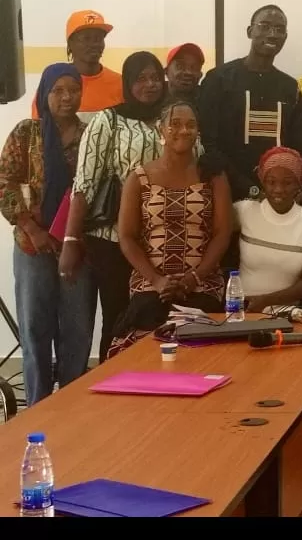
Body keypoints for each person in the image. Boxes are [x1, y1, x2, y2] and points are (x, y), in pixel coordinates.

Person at [60, 51, 167, 364]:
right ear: (128, 83)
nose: (150, 85)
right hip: (112, 239)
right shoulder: (108, 121)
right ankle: (111, 393)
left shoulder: (174, 117)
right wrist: (69, 240)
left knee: (156, 318)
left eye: (155, 77)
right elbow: (85, 184)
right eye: (141, 78)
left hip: (162, 239)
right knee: (119, 317)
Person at [0, 64, 93, 405]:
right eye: (59, 90)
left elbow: (97, 190)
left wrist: (72, 238)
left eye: (74, 90)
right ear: (45, 94)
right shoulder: (27, 133)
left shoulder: (91, 136)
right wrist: (32, 229)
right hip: (32, 248)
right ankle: (39, 407)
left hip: (76, 250)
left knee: (77, 330)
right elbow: (5, 184)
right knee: (35, 330)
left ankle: (70, 407)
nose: (68, 97)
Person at [108, 100, 230, 356]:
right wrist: (157, 280)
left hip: (202, 283)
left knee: (200, 347)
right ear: (159, 130)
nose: (184, 131)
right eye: (175, 124)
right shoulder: (139, 177)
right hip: (151, 283)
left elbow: (222, 233)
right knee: (144, 344)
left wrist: (193, 278)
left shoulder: (213, 176)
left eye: (191, 125)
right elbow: (127, 237)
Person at [198, 5, 302, 202]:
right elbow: (209, 143)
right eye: (265, 26)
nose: (272, 34)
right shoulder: (219, 79)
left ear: (285, 37)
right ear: (250, 31)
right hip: (226, 193)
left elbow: (300, 146)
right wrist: (249, 189)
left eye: (279, 29)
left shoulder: (289, 87)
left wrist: (297, 187)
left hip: (279, 197)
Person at [235, 147, 302, 312]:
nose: (278, 189)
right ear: (263, 182)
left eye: (287, 182)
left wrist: (265, 301)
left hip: (287, 312)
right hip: (242, 310)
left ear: (299, 184)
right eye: (271, 182)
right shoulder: (245, 210)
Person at [32, 10, 122, 121]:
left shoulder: (120, 83)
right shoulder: (54, 83)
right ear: (70, 43)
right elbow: (37, 130)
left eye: (98, 38)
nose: (94, 44)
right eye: (86, 38)